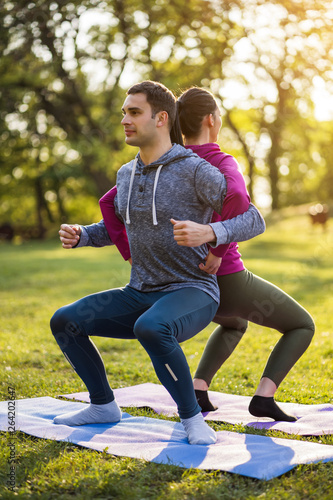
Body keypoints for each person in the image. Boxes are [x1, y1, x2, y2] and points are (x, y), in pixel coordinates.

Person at [51, 80, 265, 445]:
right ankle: (102, 405)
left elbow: (253, 219)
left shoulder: (195, 169)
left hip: (192, 290)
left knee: (152, 327)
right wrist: (84, 234)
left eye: (134, 112)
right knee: (65, 320)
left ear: (162, 118)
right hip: (140, 290)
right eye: (124, 113)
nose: (125, 120)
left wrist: (210, 234)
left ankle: (193, 419)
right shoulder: (126, 173)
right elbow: (121, 225)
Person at [101, 86, 315, 423]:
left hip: (179, 283)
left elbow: (108, 203)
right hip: (223, 277)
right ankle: (264, 397)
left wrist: (130, 253)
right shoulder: (218, 161)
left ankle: (199, 388)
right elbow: (239, 202)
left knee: (234, 323)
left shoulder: (166, 159)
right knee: (302, 325)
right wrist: (217, 248)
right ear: (211, 121)